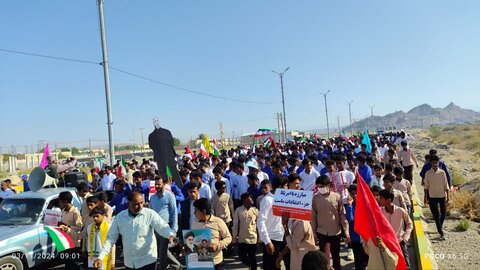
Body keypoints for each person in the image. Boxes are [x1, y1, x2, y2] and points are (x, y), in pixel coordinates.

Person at [94, 190, 176, 270]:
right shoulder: (120, 218)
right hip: (129, 264)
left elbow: (162, 226)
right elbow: (110, 239)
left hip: (147, 262)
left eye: (141, 203)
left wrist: (170, 235)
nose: (140, 207)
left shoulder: (150, 214)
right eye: (136, 204)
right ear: (129, 203)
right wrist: (101, 257)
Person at [311, 175, 349, 270]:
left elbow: (341, 215)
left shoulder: (336, 197)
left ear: (328, 185)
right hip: (322, 232)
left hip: (335, 232)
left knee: (336, 256)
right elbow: (313, 217)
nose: (320, 188)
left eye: (322, 186)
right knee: (323, 257)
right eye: (318, 186)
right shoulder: (315, 198)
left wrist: (346, 231)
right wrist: (314, 233)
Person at [192, 198, 232, 270]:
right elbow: (193, 241)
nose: (194, 213)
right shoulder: (195, 224)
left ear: (203, 211)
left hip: (216, 261)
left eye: (196, 211)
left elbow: (228, 237)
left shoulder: (218, 222)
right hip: (201, 262)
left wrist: (217, 246)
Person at [379, 189, 413, 269]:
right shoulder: (380, 212)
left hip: (400, 242)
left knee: (405, 265)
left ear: (389, 199)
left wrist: (405, 238)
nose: (379, 200)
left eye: (381, 198)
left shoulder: (400, 211)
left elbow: (410, 224)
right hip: (386, 244)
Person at [150, 176, 178, 270]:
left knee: (162, 252)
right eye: (156, 184)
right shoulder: (153, 198)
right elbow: (150, 212)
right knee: (160, 251)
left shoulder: (170, 196)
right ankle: (178, 266)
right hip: (155, 228)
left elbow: (174, 213)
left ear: (164, 184)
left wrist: (174, 229)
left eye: (159, 184)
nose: (157, 186)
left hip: (166, 227)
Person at [257, 179, 285, 270]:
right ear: (280, 187)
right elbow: (261, 221)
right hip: (272, 239)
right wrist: (267, 241)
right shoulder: (267, 200)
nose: (287, 188)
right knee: (270, 266)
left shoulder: (285, 197)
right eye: (285, 186)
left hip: (284, 237)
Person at [424, 155, 449, 240]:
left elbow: (446, 185)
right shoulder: (427, 173)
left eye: (436, 163)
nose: (435, 164)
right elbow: (426, 187)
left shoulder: (442, 172)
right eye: (433, 163)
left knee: (443, 213)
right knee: (436, 214)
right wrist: (426, 198)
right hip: (432, 196)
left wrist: (448, 196)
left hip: (442, 195)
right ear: (431, 163)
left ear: (438, 163)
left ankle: (439, 226)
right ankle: (440, 232)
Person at [232, 192, 259, 270]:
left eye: (251, 198)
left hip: (253, 238)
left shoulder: (255, 210)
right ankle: (250, 265)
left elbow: (259, 225)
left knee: (252, 256)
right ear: (244, 200)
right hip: (242, 238)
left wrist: (260, 239)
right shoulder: (238, 210)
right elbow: (235, 225)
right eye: (249, 199)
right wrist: (234, 238)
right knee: (241, 256)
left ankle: (253, 268)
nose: (251, 200)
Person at [345, 184, 368, 270]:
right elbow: (350, 219)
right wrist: (350, 206)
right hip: (355, 237)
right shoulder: (348, 205)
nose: (354, 195)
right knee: (358, 261)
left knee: (367, 259)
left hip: (365, 237)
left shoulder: (365, 203)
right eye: (352, 194)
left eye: (356, 193)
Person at [58, 191, 83, 270]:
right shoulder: (62, 211)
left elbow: (79, 227)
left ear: (65, 201)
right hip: (64, 240)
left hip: (73, 241)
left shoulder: (75, 212)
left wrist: (68, 227)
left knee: (72, 263)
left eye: (60, 201)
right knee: (67, 262)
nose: (59, 203)